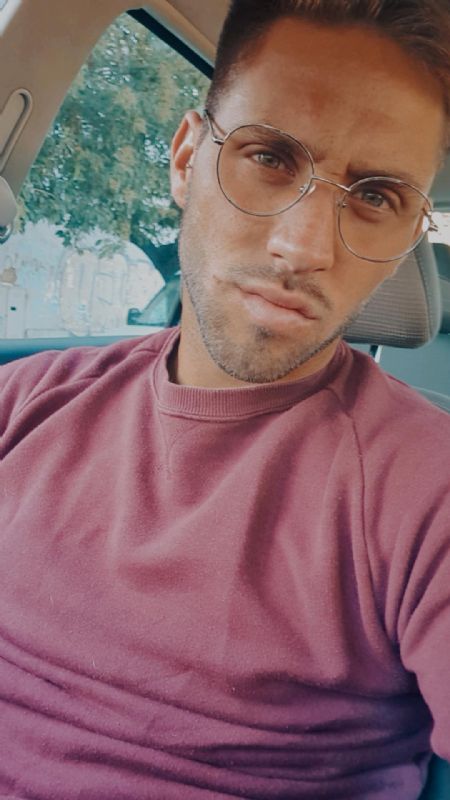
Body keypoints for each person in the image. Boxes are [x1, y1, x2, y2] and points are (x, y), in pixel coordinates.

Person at [1, 0, 450, 797]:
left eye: (376, 197)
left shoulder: (426, 489)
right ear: (185, 159)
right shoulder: (25, 402)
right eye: (269, 156)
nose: (301, 248)